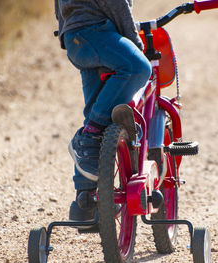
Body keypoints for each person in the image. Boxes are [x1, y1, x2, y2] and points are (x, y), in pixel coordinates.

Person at [54, 0, 152, 223]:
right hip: (95, 30)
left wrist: (65, 30)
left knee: (99, 110)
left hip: (77, 36)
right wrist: (134, 42)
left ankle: (85, 199)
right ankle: (87, 134)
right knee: (138, 67)